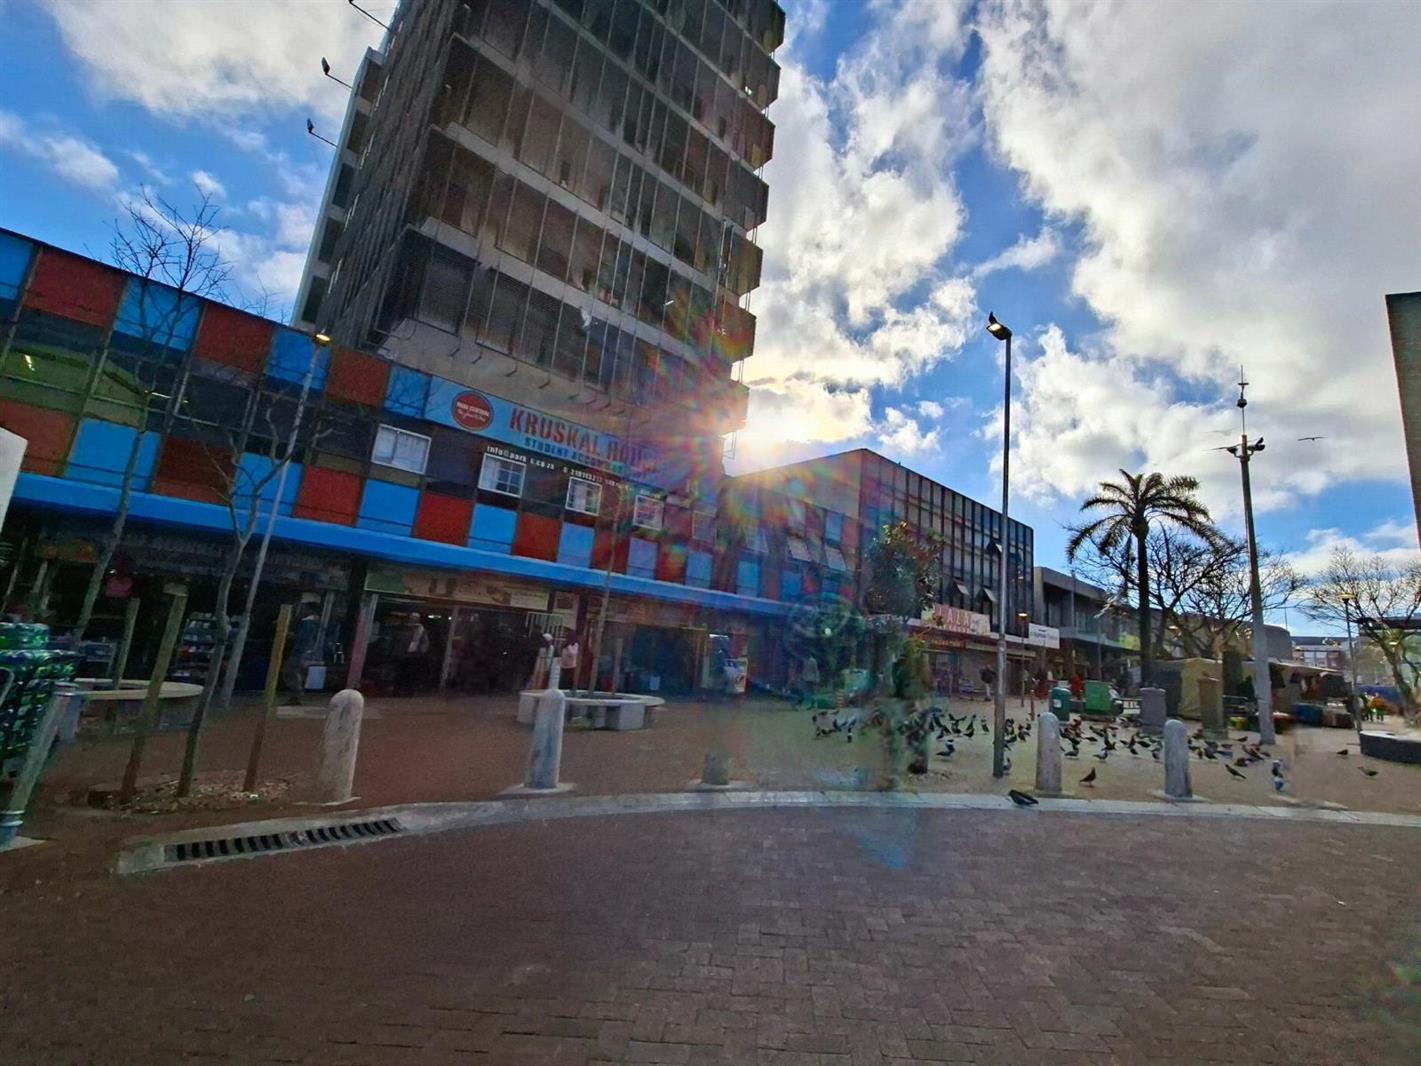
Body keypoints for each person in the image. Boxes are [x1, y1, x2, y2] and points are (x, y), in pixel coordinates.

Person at [282, 604, 321, 705]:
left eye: (304, 609)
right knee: (294, 673)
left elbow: (302, 638)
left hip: (299, 652)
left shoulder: (308, 624)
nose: (301, 611)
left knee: (291, 672)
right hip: (303, 652)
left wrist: (289, 634)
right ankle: (296, 695)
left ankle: (297, 695)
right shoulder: (311, 623)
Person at [395, 612, 430, 696]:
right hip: (402, 654)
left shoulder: (421, 629)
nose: (413, 619)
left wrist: (421, 652)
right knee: (400, 673)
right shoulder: (403, 628)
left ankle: (409, 691)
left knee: (411, 674)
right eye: (412, 617)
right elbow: (397, 639)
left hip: (414, 655)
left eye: (415, 618)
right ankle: (398, 690)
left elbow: (425, 642)